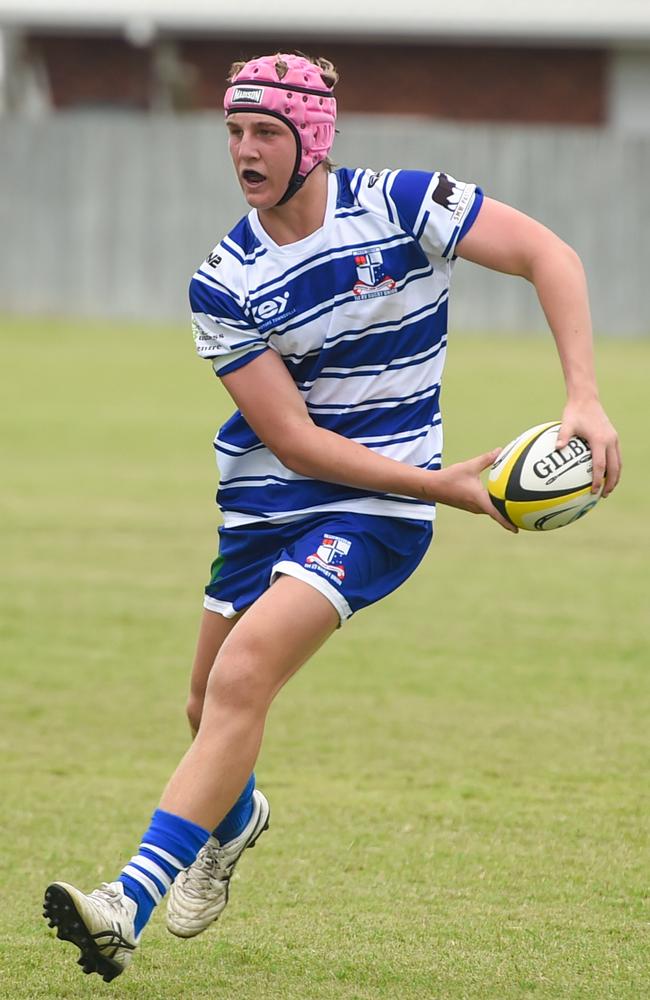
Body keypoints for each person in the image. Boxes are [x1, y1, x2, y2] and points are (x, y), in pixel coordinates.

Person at [43, 52, 621, 982]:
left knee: (239, 686)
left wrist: (583, 397)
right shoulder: (224, 281)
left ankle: (125, 904)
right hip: (269, 501)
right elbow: (298, 443)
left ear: (312, 136)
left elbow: (549, 254)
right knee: (204, 706)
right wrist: (454, 487)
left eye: (265, 131)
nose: (244, 150)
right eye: (233, 132)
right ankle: (236, 827)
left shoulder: (404, 204)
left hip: (379, 511)